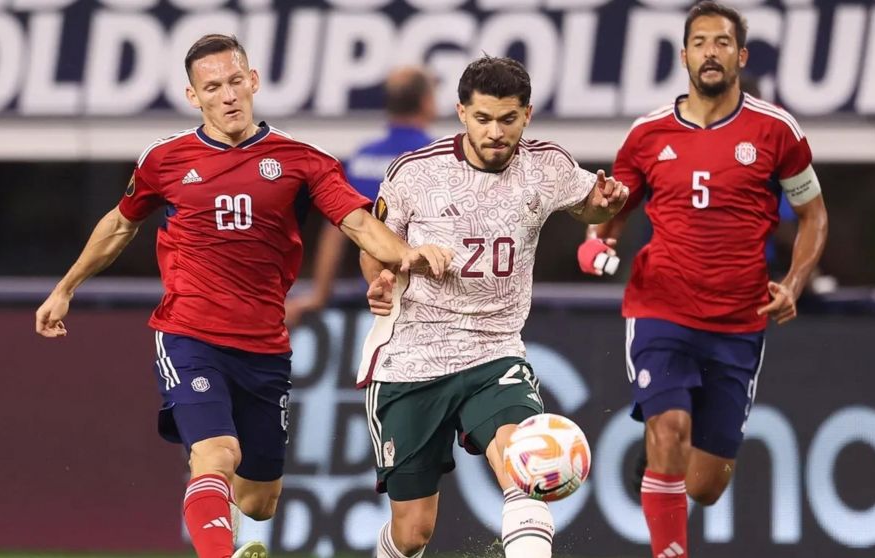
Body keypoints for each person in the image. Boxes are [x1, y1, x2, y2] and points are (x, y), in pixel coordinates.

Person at [33, 34, 451, 558]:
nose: (227, 95)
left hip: (265, 347)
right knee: (215, 453)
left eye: (235, 82)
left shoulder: (302, 160)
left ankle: (220, 517)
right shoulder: (165, 160)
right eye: (212, 87)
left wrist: (406, 254)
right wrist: (65, 288)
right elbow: (121, 224)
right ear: (193, 96)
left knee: (259, 502)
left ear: (253, 81)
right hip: (189, 335)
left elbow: (359, 224)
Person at [576, 3, 829, 557]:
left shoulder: (777, 131)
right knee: (669, 428)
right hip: (660, 307)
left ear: (741, 56)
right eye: (700, 42)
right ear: (684, 55)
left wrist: (794, 282)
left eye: (722, 42)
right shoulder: (647, 134)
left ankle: (662, 462)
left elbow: (814, 215)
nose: (710, 52)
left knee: (706, 487)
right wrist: (598, 240)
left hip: (738, 322)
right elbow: (613, 211)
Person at [357, 55, 629, 558]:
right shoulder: (415, 173)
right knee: (413, 532)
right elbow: (374, 249)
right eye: (483, 119)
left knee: (523, 464)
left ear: (527, 115)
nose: (496, 132)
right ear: (462, 112)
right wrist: (382, 280)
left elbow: (589, 203)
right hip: (411, 358)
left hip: (494, 351)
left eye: (508, 119)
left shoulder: (546, 166)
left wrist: (607, 203)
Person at [285, 66, 438, 326]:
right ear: (426, 102)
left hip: (375, 293)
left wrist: (320, 295)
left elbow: (336, 229)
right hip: (428, 296)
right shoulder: (437, 156)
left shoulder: (364, 157)